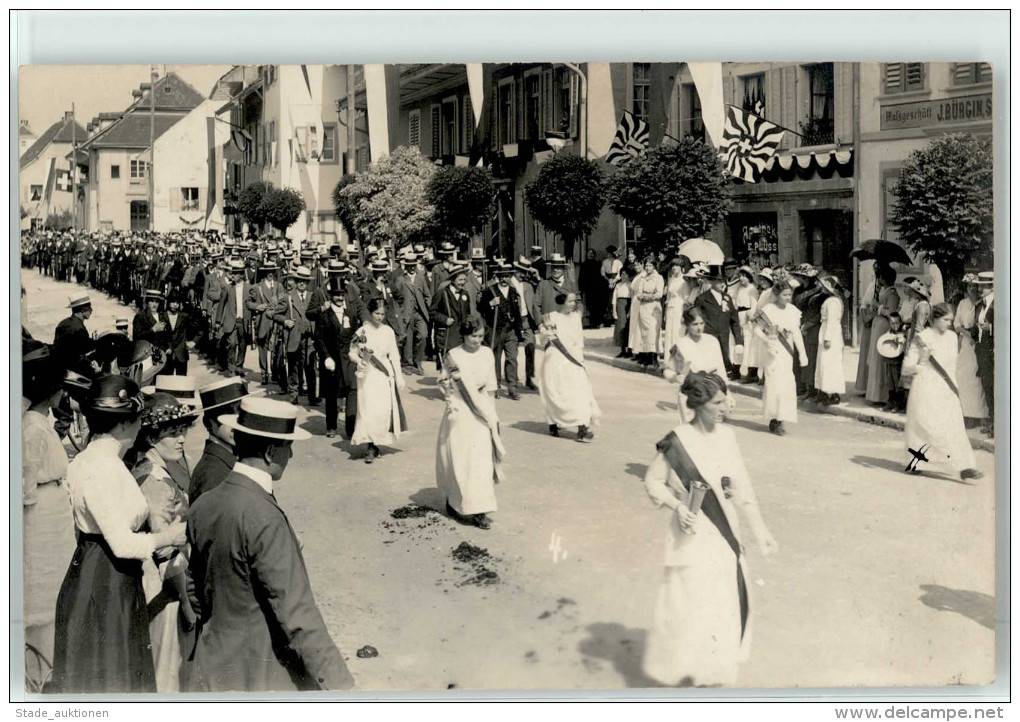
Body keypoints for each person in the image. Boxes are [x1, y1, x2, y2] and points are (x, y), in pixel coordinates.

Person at [187, 397, 355, 691]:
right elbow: (296, 612)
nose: (290, 455)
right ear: (269, 452)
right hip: (260, 672)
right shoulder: (263, 515)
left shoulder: (205, 504)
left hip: (213, 665)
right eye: (287, 446)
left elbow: (194, 589)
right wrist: (339, 684)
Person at [49, 375, 187, 693]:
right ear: (125, 423)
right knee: (112, 674)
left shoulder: (98, 459)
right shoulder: (103, 467)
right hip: (106, 581)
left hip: (101, 573)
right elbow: (122, 543)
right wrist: (172, 536)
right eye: (138, 418)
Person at [642, 371, 778, 687]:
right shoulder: (677, 441)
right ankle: (687, 675)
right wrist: (676, 506)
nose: (725, 408)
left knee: (721, 603)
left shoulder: (727, 436)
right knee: (690, 605)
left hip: (723, 532)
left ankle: (713, 675)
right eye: (718, 402)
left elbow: (742, 486)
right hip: (690, 534)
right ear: (699, 404)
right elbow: (652, 480)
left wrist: (760, 531)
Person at [132, 391, 199, 692]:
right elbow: (164, 552)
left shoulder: (155, 471)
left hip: (170, 583)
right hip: (167, 590)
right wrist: (187, 605)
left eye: (183, 431)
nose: (181, 439)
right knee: (167, 670)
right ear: (151, 437)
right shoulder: (155, 483)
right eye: (173, 433)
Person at [21, 345, 76, 690]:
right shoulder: (31, 430)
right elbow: (23, 491)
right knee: (43, 596)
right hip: (40, 524)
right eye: (60, 388)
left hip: (53, 520)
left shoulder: (41, 424)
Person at [436, 314, 505, 531]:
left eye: (481, 336)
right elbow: (443, 381)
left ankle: (480, 510)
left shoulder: (487, 353)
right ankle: (456, 501)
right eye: (474, 336)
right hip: (460, 409)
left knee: (481, 461)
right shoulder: (453, 356)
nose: (478, 340)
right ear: (464, 335)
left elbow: (492, 384)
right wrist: (449, 401)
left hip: (481, 408)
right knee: (460, 458)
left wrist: (492, 413)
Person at [901, 304, 983, 481]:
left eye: (951, 320)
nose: (949, 324)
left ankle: (965, 466)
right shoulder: (922, 337)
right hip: (925, 387)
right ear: (934, 319)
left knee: (954, 427)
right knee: (926, 427)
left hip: (947, 388)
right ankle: (917, 461)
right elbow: (906, 367)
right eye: (945, 320)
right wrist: (920, 364)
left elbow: (951, 365)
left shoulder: (953, 337)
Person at [349, 298, 407, 464]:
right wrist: (359, 361)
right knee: (368, 410)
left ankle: (376, 443)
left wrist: (399, 375)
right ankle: (370, 446)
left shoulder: (388, 331)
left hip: (383, 375)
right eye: (376, 313)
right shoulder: (362, 332)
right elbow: (352, 352)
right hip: (367, 375)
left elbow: (394, 355)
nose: (380, 317)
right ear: (370, 312)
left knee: (381, 411)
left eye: (382, 314)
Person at [537, 292, 600, 442]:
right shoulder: (550, 317)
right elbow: (543, 341)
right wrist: (545, 332)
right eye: (571, 301)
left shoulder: (576, 317)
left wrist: (580, 360)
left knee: (581, 392)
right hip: (555, 359)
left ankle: (582, 428)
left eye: (575, 301)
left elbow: (579, 341)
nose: (574, 304)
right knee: (557, 393)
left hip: (574, 359)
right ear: (562, 302)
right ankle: (554, 421)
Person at [754, 281, 808, 436]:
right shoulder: (768, 310)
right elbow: (757, 330)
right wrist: (767, 340)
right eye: (784, 295)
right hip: (772, 352)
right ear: (776, 295)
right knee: (774, 385)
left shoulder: (793, 311)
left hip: (787, 354)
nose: (788, 298)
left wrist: (802, 354)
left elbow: (796, 334)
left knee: (787, 385)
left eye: (789, 295)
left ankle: (781, 418)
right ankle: (774, 418)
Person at [189, 377, 254, 505]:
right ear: (208, 423)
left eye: (241, 413)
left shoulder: (227, 459)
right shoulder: (214, 476)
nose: (237, 423)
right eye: (227, 415)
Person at [662, 307, 731, 424]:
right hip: (690, 394)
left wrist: (727, 393)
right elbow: (668, 370)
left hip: (712, 392)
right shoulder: (681, 345)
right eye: (695, 324)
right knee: (691, 433)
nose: (699, 328)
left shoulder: (712, 341)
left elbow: (721, 369)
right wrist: (674, 377)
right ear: (687, 325)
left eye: (701, 323)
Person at [312, 274, 360, 440]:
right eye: (336, 295)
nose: (339, 298)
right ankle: (331, 426)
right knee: (332, 395)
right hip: (331, 360)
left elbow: (356, 335)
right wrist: (325, 357)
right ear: (331, 296)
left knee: (350, 394)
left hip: (347, 360)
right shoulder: (324, 315)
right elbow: (318, 338)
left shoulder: (351, 314)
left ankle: (350, 428)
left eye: (342, 295)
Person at [273, 266, 318, 405]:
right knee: (293, 366)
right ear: (295, 281)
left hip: (309, 338)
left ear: (308, 282)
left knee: (310, 366)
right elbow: (276, 314)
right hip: (293, 336)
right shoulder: (288, 297)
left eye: (304, 281)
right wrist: (285, 321)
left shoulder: (312, 296)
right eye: (299, 280)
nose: (302, 283)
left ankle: (312, 395)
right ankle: (293, 394)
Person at [479, 263, 524, 400]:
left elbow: (517, 311)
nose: (505, 279)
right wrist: (490, 304)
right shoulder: (489, 291)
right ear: (498, 277)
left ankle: (512, 388)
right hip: (495, 330)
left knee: (512, 358)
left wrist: (519, 329)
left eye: (507, 276)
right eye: (502, 276)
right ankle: (495, 386)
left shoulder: (513, 291)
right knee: (496, 359)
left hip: (511, 331)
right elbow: (481, 308)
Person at [693, 265, 743, 379]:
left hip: (724, 337)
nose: (722, 284)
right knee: (709, 368)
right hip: (708, 337)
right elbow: (695, 320)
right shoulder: (702, 298)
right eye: (719, 281)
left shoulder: (727, 298)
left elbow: (735, 321)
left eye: (724, 281)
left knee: (724, 368)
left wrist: (739, 341)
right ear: (711, 282)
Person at [953, 275, 989, 423]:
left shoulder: (983, 304)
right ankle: (966, 414)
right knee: (963, 377)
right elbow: (956, 324)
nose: (972, 289)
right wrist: (967, 334)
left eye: (975, 286)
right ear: (966, 288)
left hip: (979, 344)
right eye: (969, 286)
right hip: (966, 343)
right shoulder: (963, 303)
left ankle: (979, 415)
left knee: (976, 379)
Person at [865, 265, 901, 404]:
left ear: (884, 278)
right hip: (877, 326)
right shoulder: (883, 291)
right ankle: (874, 394)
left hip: (884, 326)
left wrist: (878, 307)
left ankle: (882, 395)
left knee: (880, 360)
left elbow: (892, 313)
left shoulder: (893, 294)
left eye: (880, 277)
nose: (878, 279)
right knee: (875, 358)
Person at [431, 262, 476, 370]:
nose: (463, 282)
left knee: (462, 365)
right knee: (449, 365)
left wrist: (469, 322)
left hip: (461, 335)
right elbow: (432, 313)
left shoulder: (465, 293)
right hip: (447, 335)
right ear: (453, 280)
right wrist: (444, 319)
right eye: (460, 280)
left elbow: (467, 313)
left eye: (464, 280)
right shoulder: (442, 293)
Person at [814, 274, 847, 406]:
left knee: (830, 364)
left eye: (822, 286)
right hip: (826, 331)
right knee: (824, 364)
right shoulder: (830, 300)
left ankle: (833, 394)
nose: (820, 288)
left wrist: (827, 338)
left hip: (831, 335)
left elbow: (832, 321)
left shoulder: (833, 302)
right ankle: (825, 391)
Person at [509, 258, 541, 390]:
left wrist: (538, 323)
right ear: (515, 270)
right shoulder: (508, 283)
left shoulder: (528, 286)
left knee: (531, 346)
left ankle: (530, 377)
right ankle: (513, 380)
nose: (523, 274)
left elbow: (534, 305)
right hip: (512, 322)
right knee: (512, 352)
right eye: (520, 271)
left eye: (525, 272)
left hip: (526, 320)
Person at [248, 263, 281, 386]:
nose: (270, 274)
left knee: (277, 348)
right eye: (268, 272)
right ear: (264, 273)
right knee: (262, 348)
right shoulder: (257, 287)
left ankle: (276, 373)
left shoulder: (279, 286)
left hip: (276, 321)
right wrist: (258, 306)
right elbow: (248, 303)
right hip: (262, 321)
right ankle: (264, 373)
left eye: (272, 271)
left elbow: (284, 302)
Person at [628, 257, 665, 367]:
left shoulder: (659, 278)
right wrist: (643, 296)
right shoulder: (642, 278)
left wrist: (647, 296)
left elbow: (659, 294)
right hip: (643, 307)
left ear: (654, 266)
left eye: (650, 265)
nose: (648, 268)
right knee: (643, 332)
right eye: (646, 266)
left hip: (654, 308)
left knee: (653, 331)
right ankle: (645, 355)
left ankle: (654, 356)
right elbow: (638, 293)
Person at [740, 268, 774, 384]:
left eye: (765, 280)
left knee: (766, 349)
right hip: (760, 322)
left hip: (766, 322)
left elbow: (768, 308)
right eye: (762, 279)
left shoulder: (771, 292)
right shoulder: (764, 292)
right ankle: (760, 375)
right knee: (759, 351)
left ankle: (765, 376)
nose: (763, 282)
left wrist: (756, 316)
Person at [971, 272, 994, 436]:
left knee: (995, 388)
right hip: (982, 351)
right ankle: (992, 422)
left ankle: (998, 424)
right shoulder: (981, 304)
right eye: (978, 285)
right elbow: (975, 324)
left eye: (983, 286)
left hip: (994, 352)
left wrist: (991, 329)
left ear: (992, 287)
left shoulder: (1000, 303)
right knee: (987, 387)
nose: (979, 289)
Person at [53, 292, 94, 368]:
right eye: (89, 308)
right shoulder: (80, 329)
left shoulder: (63, 323)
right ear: (82, 310)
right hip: (71, 368)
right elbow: (82, 352)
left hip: (57, 365)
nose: (91, 311)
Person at [663, 259, 690, 360]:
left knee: (677, 333)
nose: (674, 268)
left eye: (677, 266)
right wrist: (666, 313)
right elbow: (668, 298)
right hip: (670, 308)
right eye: (673, 266)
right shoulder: (672, 279)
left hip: (679, 308)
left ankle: (678, 361)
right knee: (669, 334)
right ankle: (668, 360)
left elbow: (686, 298)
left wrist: (684, 314)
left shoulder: (684, 280)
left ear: (681, 267)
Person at [163, 290, 191, 376]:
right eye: (173, 302)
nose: (175, 305)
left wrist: (193, 341)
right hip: (166, 355)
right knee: (165, 382)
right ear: (168, 302)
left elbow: (199, 329)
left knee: (181, 383)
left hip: (181, 355)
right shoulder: (162, 316)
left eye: (177, 302)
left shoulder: (184, 317)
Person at [612, 265, 634, 359]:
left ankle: (629, 350)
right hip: (619, 306)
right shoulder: (618, 285)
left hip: (628, 305)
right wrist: (614, 311)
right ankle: (622, 350)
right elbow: (614, 299)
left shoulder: (630, 285)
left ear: (629, 275)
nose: (624, 276)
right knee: (620, 327)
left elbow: (633, 299)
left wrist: (630, 311)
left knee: (628, 327)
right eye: (622, 274)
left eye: (626, 274)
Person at [600, 245, 624, 328]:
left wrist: (614, 281)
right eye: (608, 253)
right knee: (607, 300)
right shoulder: (605, 262)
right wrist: (608, 280)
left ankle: (615, 319)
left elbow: (620, 273)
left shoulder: (618, 262)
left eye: (610, 253)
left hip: (616, 280)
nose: (608, 255)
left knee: (614, 299)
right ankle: (607, 319)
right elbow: (602, 272)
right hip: (607, 280)